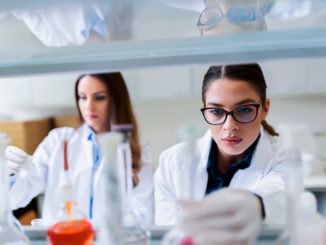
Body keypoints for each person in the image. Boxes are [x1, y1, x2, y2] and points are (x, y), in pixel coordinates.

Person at [155, 64, 289, 241]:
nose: (229, 126)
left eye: (245, 110)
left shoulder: (283, 157)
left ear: (265, 108)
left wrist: (250, 203)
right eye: (217, 111)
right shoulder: (173, 161)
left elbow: (277, 192)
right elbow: (168, 234)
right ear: (205, 109)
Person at [6, 72, 154, 226]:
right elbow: (13, 200)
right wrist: (10, 174)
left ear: (116, 100)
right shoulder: (58, 141)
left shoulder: (137, 151)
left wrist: (85, 229)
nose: (89, 107)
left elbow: (141, 215)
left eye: (99, 98)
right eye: (83, 97)